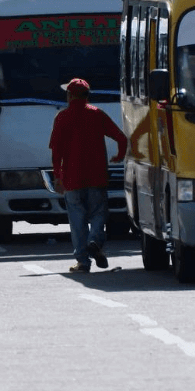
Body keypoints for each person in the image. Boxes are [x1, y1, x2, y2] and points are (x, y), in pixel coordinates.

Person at [49, 78, 127, 273]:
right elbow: (121, 138)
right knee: (99, 214)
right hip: (97, 177)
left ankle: (83, 262)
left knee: (77, 221)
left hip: (72, 179)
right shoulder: (97, 114)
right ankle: (95, 241)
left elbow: (56, 152)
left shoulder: (62, 117)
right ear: (87, 95)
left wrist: (57, 176)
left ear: (69, 96)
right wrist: (119, 156)